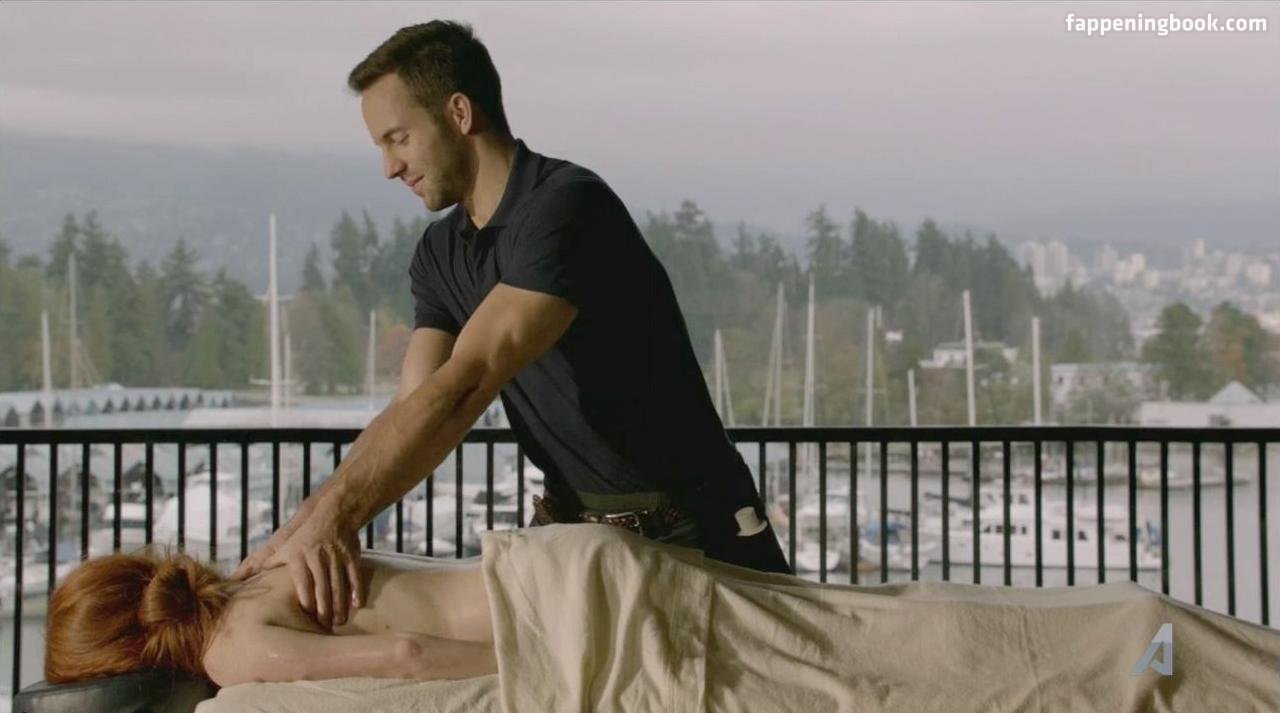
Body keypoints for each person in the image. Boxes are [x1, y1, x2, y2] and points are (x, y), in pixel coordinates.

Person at [230, 19, 790, 632]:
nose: (389, 167)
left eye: (398, 139)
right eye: (380, 147)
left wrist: (333, 518)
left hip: (695, 529)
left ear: (459, 113)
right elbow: (418, 405)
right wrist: (304, 528)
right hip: (570, 533)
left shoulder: (568, 207)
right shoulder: (440, 253)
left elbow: (467, 383)